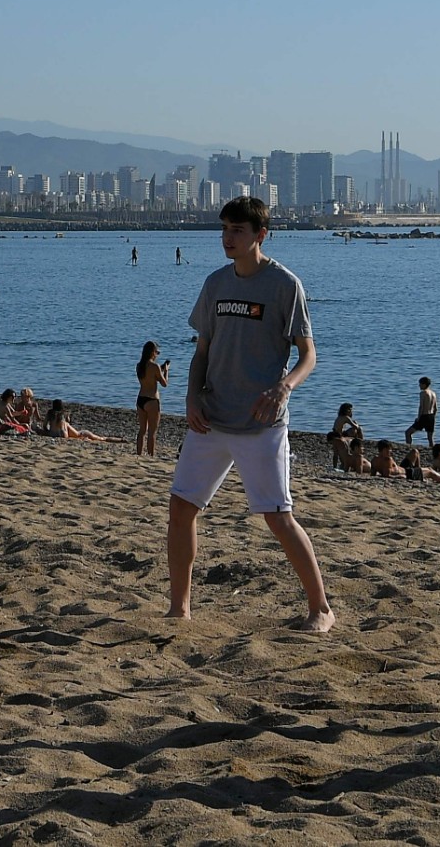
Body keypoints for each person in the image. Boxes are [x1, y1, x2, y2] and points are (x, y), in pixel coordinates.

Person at [165, 196, 334, 632]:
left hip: (261, 423)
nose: (228, 238)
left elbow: (308, 354)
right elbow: (203, 348)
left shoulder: (284, 285)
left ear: (261, 235)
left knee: (278, 517)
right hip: (211, 416)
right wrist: (191, 396)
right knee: (181, 508)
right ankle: (180, 608)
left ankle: (321, 609)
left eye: (237, 231)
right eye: (224, 229)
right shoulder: (216, 284)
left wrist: (284, 387)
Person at [135, 341, 170, 456]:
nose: (157, 355)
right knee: (152, 432)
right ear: (152, 352)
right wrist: (166, 371)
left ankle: (139, 454)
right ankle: (150, 455)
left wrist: (161, 370)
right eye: (157, 352)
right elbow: (164, 384)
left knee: (142, 430)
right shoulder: (155, 366)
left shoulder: (139, 366)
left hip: (141, 399)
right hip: (152, 399)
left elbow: (148, 378)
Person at [43, 399, 114, 442]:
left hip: (52, 433)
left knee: (77, 431)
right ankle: (106, 439)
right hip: (65, 435)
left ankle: (106, 439)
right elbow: (63, 431)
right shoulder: (61, 415)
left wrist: (49, 432)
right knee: (87, 434)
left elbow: (44, 425)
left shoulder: (50, 413)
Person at [327, 402, 364, 470]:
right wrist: (357, 424)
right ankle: (359, 443)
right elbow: (355, 426)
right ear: (345, 410)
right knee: (359, 429)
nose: (350, 411)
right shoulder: (346, 417)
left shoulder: (340, 417)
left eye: (351, 410)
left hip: (337, 433)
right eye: (349, 410)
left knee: (336, 453)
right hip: (338, 435)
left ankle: (335, 466)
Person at [404, 377, 437, 448]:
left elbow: (421, 406)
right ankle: (433, 450)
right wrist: (433, 417)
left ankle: (409, 447)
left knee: (408, 432)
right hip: (431, 416)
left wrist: (418, 418)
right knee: (430, 438)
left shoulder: (423, 393)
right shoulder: (433, 394)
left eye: (420, 384)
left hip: (424, 416)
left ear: (424, 385)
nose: (419, 386)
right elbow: (435, 408)